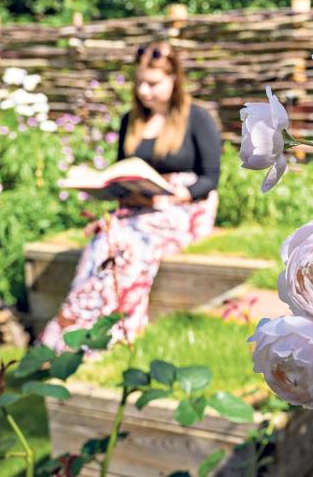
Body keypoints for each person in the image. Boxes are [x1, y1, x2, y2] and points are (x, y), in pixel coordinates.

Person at [40, 41, 221, 351]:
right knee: (103, 244)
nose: (144, 92)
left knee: (129, 246)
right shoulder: (131, 121)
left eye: (153, 83)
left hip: (183, 208)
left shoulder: (197, 118)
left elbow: (210, 178)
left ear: (174, 79)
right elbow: (123, 169)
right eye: (139, 83)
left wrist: (178, 193)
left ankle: (115, 336)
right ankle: (72, 339)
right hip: (139, 208)